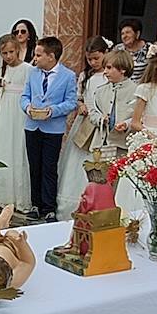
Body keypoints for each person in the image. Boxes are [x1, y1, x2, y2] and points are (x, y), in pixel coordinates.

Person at [21, 36, 78, 221]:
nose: (34, 58)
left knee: (49, 167)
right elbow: (24, 96)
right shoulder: (33, 73)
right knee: (34, 166)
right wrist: (28, 107)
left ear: (51, 56)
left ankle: (49, 206)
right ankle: (35, 204)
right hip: (32, 126)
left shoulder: (68, 76)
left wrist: (52, 111)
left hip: (53, 128)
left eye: (38, 55)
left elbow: (71, 102)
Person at [55, 37, 112, 219]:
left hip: (102, 124)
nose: (93, 62)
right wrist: (81, 105)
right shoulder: (85, 76)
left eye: (97, 58)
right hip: (86, 123)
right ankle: (70, 204)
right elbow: (79, 97)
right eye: (90, 59)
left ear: (105, 54)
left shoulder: (109, 76)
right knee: (77, 160)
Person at [0, 34, 33, 213]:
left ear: (18, 50)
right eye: (4, 53)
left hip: (19, 114)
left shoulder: (28, 69)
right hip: (4, 114)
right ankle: (1, 197)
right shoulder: (2, 71)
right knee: (2, 148)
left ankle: (19, 199)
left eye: (11, 52)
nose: (8, 56)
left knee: (18, 150)